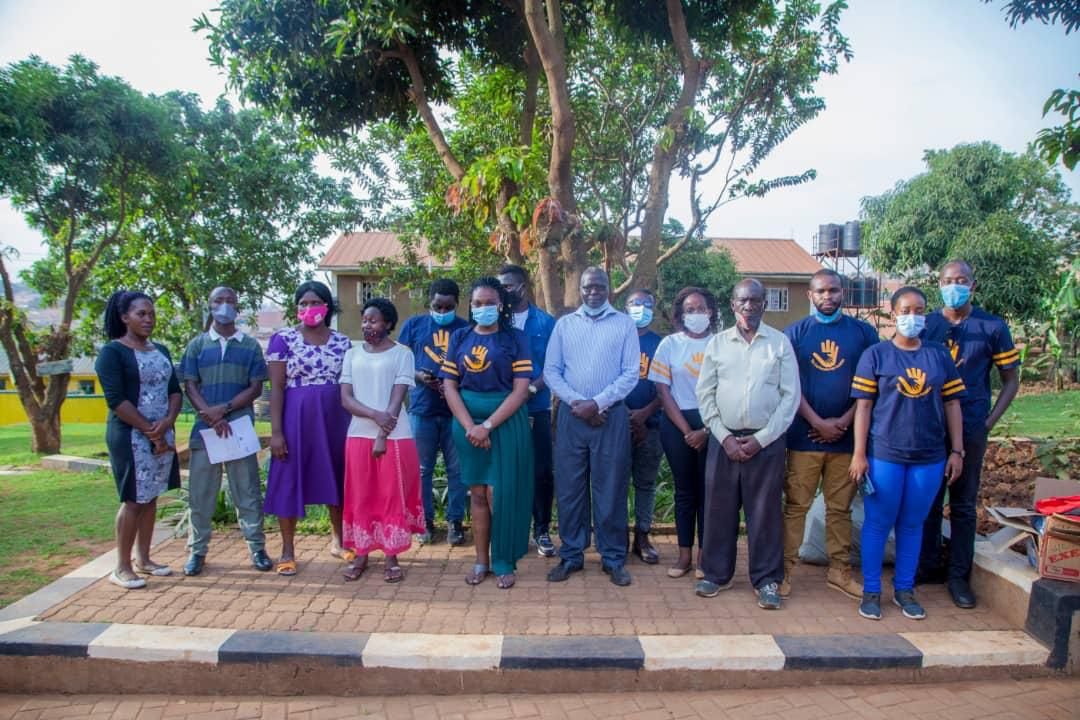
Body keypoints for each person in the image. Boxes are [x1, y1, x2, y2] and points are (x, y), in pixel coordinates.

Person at [849, 286, 966, 621]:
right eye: (906, 310)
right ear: (894, 313)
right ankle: (872, 590)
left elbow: (953, 403)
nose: (912, 317)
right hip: (885, 453)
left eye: (919, 311)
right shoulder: (876, 355)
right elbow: (864, 407)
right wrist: (859, 454)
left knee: (912, 525)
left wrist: (956, 451)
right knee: (877, 523)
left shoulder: (938, 355)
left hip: (929, 457)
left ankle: (904, 589)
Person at [918, 260, 1020, 609]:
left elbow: (1011, 379)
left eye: (961, 280)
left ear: (973, 286)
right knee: (928, 500)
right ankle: (927, 566)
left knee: (962, 503)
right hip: (930, 426)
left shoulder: (992, 326)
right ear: (939, 284)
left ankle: (958, 576)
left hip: (972, 422)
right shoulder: (927, 323)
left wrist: (988, 422)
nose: (954, 286)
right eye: (948, 280)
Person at [695, 279, 799, 609]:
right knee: (718, 510)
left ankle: (767, 580)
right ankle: (715, 574)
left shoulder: (779, 344)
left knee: (764, 513)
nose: (749, 306)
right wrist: (724, 437)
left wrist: (761, 439)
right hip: (722, 440)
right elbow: (705, 394)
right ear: (732, 304)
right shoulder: (717, 344)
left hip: (765, 442)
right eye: (743, 301)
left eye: (755, 301)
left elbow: (790, 397)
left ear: (765, 304)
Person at [782, 269, 879, 599]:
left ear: (843, 293)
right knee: (796, 506)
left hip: (847, 440)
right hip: (803, 437)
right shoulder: (795, 333)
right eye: (821, 291)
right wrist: (817, 422)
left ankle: (840, 571)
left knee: (840, 509)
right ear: (810, 295)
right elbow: (789, 386)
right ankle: (784, 570)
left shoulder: (864, 333)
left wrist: (844, 421)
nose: (828, 297)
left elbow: (871, 385)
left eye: (833, 291)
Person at [543, 267, 640, 586]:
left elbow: (630, 373)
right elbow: (551, 372)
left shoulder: (624, 324)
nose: (594, 292)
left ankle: (613, 557)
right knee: (570, 489)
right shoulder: (564, 325)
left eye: (599, 287)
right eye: (588, 287)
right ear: (580, 291)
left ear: (609, 289)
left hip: (609, 417)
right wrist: (579, 404)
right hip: (572, 418)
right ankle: (571, 554)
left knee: (610, 487)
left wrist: (597, 403)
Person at [441, 277, 534, 589]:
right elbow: (449, 385)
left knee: (501, 494)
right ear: (471, 305)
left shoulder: (515, 339)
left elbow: (521, 390)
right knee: (478, 494)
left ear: (501, 305)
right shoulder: (459, 337)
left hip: (505, 423)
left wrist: (487, 426)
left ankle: (504, 560)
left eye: (489, 302)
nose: (483, 308)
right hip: (466, 425)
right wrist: (470, 427)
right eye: (477, 303)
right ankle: (481, 561)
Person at [264, 280, 352, 576]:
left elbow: (349, 385)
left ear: (327, 307)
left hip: (335, 419)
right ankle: (287, 550)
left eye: (314, 302)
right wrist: (276, 432)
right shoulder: (282, 339)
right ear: (296, 308)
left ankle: (339, 541)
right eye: (303, 303)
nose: (308, 308)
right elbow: (276, 388)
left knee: (337, 477)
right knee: (289, 478)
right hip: (295, 420)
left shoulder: (342, 342)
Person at [181, 286, 270, 576]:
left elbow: (256, 386)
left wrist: (225, 409)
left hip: (239, 429)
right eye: (218, 300)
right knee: (201, 494)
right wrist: (210, 414)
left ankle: (257, 547)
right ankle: (198, 551)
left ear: (238, 307)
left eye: (230, 301)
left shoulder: (250, 346)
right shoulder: (196, 345)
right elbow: (190, 385)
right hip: (205, 432)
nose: (225, 306)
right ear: (210, 305)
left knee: (246, 490)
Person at [96, 291, 181, 589]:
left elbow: (174, 390)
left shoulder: (161, 350)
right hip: (130, 435)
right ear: (124, 317)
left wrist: (167, 423)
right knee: (133, 499)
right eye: (141, 314)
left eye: (151, 314)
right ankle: (121, 567)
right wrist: (150, 430)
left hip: (161, 432)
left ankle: (144, 559)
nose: (148, 319)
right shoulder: (112, 353)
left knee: (152, 495)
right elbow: (116, 399)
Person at [339, 298, 423, 583]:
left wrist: (381, 436)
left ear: (387, 323)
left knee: (390, 495)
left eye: (373, 321)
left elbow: (397, 400)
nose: (367, 325)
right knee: (360, 495)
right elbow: (346, 398)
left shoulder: (402, 354)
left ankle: (391, 555)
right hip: (357, 435)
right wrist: (374, 416)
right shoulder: (352, 354)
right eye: (364, 320)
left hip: (395, 436)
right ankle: (361, 552)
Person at [649, 287, 717, 578]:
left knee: (709, 492)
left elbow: (727, 390)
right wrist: (688, 430)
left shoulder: (721, 343)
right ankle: (684, 555)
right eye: (690, 310)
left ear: (711, 312)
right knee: (685, 492)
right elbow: (663, 390)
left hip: (714, 423)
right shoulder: (669, 344)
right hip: (677, 423)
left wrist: (705, 429)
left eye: (701, 308)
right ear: (680, 314)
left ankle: (705, 557)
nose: (696, 314)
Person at [397, 278, 470, 545]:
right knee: (421, 469)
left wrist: (454, 381)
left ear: (456, 304)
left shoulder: (466, 328)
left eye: (447, 307)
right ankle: (424, 521)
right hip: (422, 410)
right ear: (429, 302)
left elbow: (474, 366)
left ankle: (455, 521)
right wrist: (418, 376)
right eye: (437, 306)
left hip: (456, 411)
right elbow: (400, 362)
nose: (441, 312)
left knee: (457, 470)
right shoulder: (413, 326)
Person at [496, 265, 557, 558]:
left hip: (536, 407)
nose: (506, 291)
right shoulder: (494, 322)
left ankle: (542, 529)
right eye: (501, 286)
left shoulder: (546, 323)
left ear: (524, 286)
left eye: (510, 286)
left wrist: (530, 390)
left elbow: (554, 366)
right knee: (504, 471)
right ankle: (507, 531)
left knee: (542, 471)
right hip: (498, 410)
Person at [624, 289, 663, 565]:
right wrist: (626, 416)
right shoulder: (617, 340)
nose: (640, 308)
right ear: (625, 307)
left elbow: (667, 387)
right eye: (635, 303)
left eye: (646, 304)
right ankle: (615, 538)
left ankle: (642, 536)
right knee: (615, 484)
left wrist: (643, 415)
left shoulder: (662, 344)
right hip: (616, 426)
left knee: (645, 484)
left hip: (652, 426)